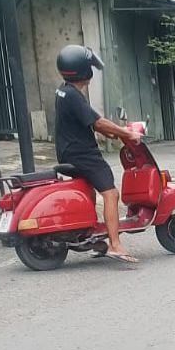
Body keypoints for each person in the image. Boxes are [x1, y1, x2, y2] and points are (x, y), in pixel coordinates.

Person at [53, 45, 142, 264]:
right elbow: (98, 121)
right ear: (83, 71)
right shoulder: (73, 95)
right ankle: (115, 244)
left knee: (88, 190)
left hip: (69, 151)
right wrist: (127, 133)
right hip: (83, 154)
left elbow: (91, 123)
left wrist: (113, 133)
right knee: (111, 194)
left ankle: (86, 234)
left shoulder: (64, 90)